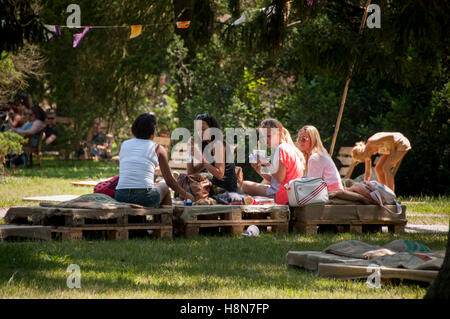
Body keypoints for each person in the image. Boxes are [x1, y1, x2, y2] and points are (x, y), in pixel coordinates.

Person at [115, 113, 194, 207]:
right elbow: (169, 181)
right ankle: (167, 220)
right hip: (145, 197)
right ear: (153, 131)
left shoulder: (122, 145)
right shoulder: (158, 148)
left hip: (120, 196)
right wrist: (186, 194)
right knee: (164, 186)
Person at [242, 118, 305, 205]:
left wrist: (266, 163)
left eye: (268, 136)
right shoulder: (288, 147)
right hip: (289, 193)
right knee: (246, 185)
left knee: (244, 185)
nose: (265, 139)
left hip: (283, 195)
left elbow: (279, 178)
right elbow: (275, 179)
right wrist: (259, 170)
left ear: (278, 133)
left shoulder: (281, 149)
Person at [187, 113, 238, 193]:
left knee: (186, 187)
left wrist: (201, 158)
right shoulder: (207, 146)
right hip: (214, 185)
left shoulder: (218, 144)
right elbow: (191, 173)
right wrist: (189, 153)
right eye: (198, 130)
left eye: (203, 129)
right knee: (185, 181)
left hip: (224, 189)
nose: (200, 133)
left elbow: (220, 175)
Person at [297, 125, 344, 191]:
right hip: (330, 191)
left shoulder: (315, 157)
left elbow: (312, 185)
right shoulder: (317, 155)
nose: (300, 142)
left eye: (304, 139)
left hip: (332, 193)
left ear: (313, 139)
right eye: (299, 139)